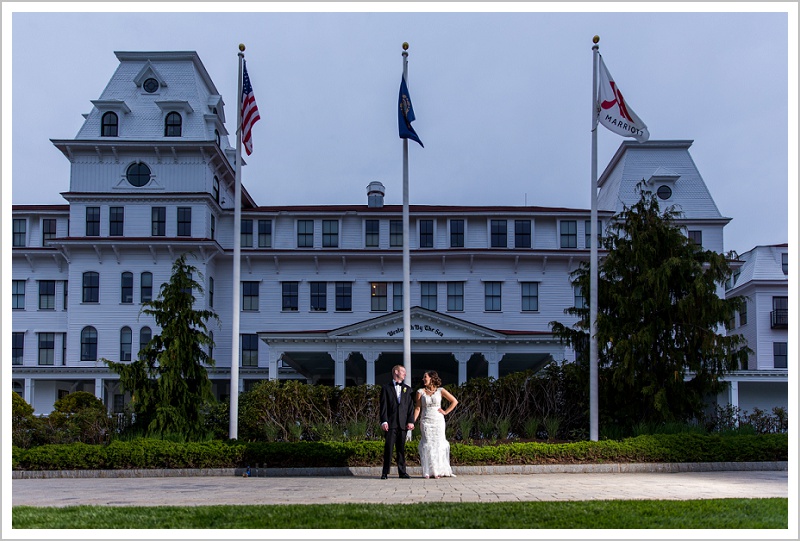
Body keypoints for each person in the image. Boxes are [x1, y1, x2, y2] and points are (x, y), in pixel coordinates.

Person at [413, 370, 458, 479]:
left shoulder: (441, 391)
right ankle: (429, 471)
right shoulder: (420, 392)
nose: (423, 379)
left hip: (438, 420)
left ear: (432, 378)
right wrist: (412, 421)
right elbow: (418, 408)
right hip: (426, 420)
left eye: (425, 377)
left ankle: (440, 470)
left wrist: (446, 412)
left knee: (439, 443)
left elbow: (454, 401)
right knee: (428, 444)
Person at [379, 364, 415, 479]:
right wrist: (384, 421)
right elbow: (383, 406)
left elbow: (410, 407)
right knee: (388, 448)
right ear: (396, 372)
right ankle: (385, 472)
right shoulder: (386, 388)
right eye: (403, 371)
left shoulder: (408, 389)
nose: (405, 374)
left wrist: (411, 421)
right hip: (391, 423)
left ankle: (402, 472)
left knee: (401, 449)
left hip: (403, 423)